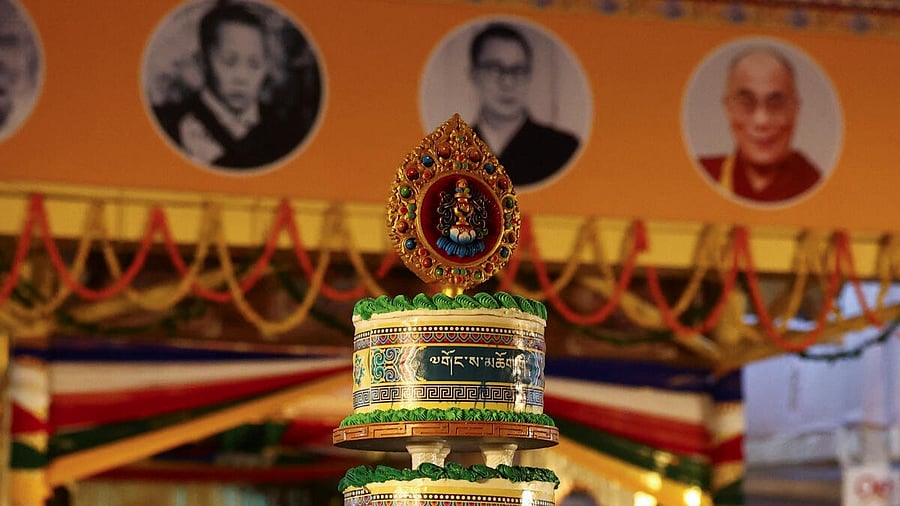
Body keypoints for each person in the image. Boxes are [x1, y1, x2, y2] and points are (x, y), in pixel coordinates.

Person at [152, 1, 309, 170]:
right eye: (229, 62)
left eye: (254, 64)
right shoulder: (169, 124)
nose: (241, 78)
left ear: (266, 68)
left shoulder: (285, 132)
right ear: (202, 61)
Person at [700, 46, 821, 203]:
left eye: (776, 104)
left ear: (795, 110)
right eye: (746, 103)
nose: (761, 120)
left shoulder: (816, 185)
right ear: (728, 108)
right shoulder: (704, 176)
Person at [468, 22, 579, 188]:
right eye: (494, 69)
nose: (507, 82)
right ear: (474, 75)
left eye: (518, 70)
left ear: (529, 76)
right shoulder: (450, 151)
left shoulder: (562, 149)